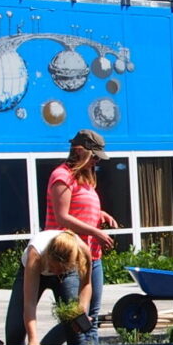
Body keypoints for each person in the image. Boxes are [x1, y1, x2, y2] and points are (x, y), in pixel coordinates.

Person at [43, 128, 119, 330]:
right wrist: (95, 232)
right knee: (75, 317)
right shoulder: (62, 176)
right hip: (71, 257)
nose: (97, 162)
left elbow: (80, 207)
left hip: (92, 255)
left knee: (91, 318)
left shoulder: (85, 179)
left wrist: (100, 214)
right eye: (94, 157)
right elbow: (62, 216)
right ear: (79, 151)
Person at [3, 230, 99, 345]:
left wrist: (81, 309)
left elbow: (86, 285)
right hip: (34, 271)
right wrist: (33, 339)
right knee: (15, 330)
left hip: (67, 276)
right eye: (53, 267)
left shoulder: (83, 251)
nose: (56, 273)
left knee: (74, 327)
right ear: (48, 256)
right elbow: (29, 304)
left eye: (62, 269)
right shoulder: (36, 254)